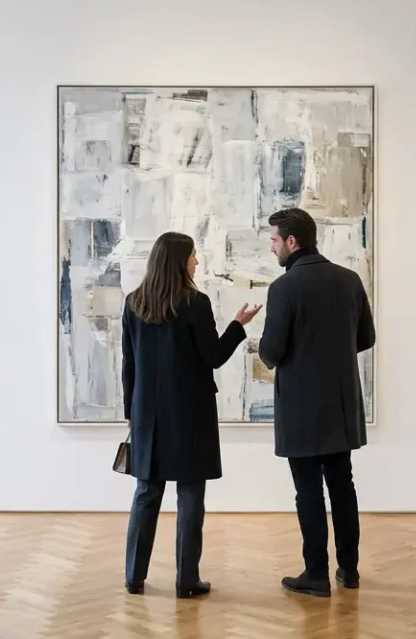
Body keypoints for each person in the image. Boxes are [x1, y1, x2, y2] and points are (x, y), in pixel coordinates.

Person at [120, 231, 261, 598]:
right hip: (190, 412)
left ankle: (134, 577)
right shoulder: (194, 303)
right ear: (179, 260)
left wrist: (130, 411)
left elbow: (129, 366)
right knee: (190, 496)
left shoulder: (134, 302)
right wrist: (237, 326)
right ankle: (186, 582)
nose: (196, 262)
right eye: (193, 256)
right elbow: (212, 357)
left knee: (146, 493)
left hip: (147, 413)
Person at [258, 207, 375, 598]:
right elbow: (366, 339)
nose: (272, 247)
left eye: (275, 240)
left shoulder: (284, 288)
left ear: (292, 242)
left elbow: (271, 352)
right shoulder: (349, 280)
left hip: (301, 407)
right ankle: (350, 570)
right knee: (343, 485)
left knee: (307, 490)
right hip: (341, 404)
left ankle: (316, 574)